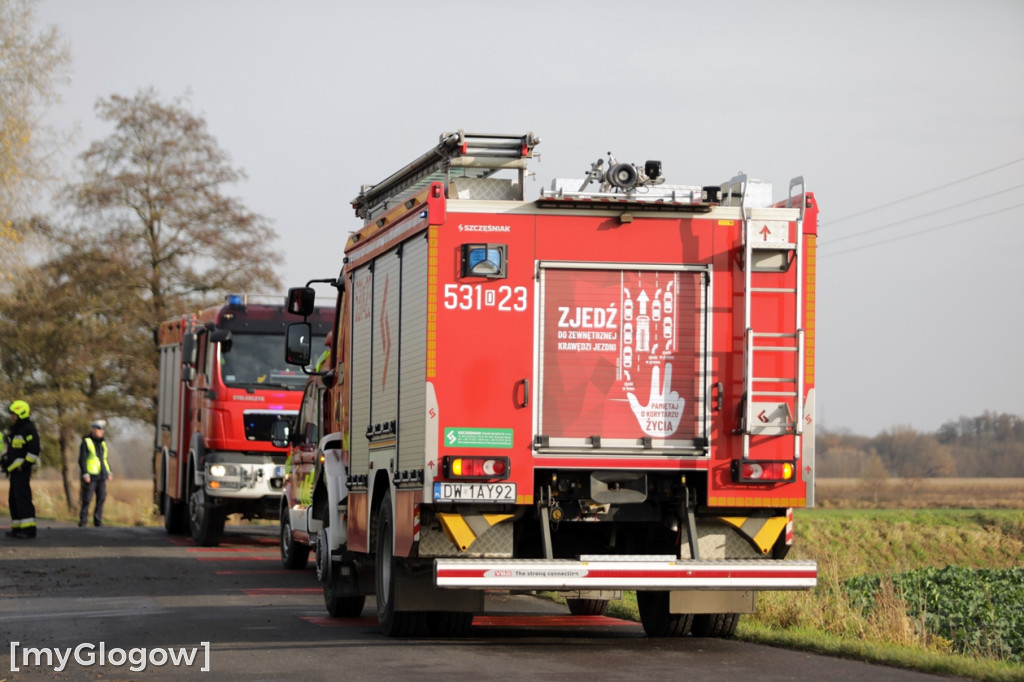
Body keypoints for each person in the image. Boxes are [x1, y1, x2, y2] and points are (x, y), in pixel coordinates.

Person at [4, 400, 40, 539]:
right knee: (14, 499)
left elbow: (34, 450)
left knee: (23, 499)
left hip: (22, 471)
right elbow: (15, 450)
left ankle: (29, 530)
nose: (12, 416)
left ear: (21, 413)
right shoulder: (17, 429)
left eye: (14, 414)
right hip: (14, 471)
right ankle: (17, 528)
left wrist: (24, 465)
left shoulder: (28, 428)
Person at [79, 419, 113, 527]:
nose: (100, 431)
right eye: (98, 429)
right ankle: (83, 520)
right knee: (87, 498)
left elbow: (105, 459)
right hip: (91, 475)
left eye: (101, 429)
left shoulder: (103, 443)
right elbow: (82, 459)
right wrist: (85, 473)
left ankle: (97, 520)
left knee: (101, 497)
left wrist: (109, 471)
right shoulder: (86, 441)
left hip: (101, 475)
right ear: (93, 429)